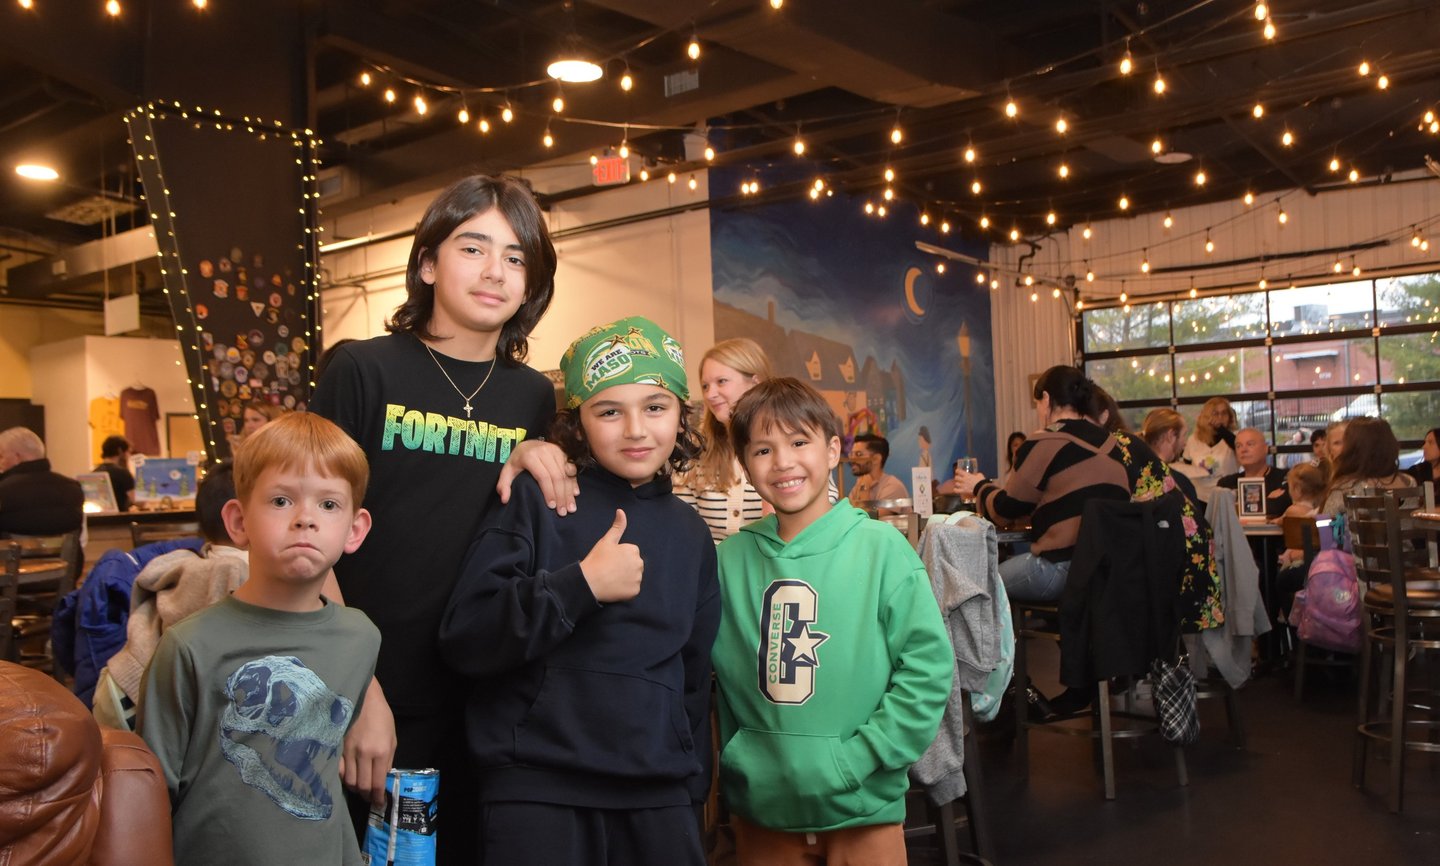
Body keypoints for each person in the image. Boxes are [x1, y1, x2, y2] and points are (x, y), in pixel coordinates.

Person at [310, 174, 576, 855]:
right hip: (369, 693)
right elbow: (309, 545)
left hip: (486, 700)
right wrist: (357, 691)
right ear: (428, 264)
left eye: (516, 257)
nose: (495, 271)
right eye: (473, 248)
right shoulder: (361, 371)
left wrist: (536, 455)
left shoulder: (531, 398)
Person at [438, 316, 719, 865]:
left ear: (681, 415)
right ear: (579, 423)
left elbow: (692, 676)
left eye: (655, 407)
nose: (635, 429)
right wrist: (581, 586)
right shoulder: (541, 498)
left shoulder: (691, 534)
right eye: (609, 411)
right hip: (538, 788)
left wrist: (691, 795)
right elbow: (467, 636)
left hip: (657, 794)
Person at [712, 377, 951, 865]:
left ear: (833, 450)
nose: (783, 462)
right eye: (763, 450)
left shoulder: (882, 550)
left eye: (799, 442)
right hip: (762, 811)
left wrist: (860, 758)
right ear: (745, 464)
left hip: (865, 809)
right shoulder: (726, 561)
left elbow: (927, 670)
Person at [135, 412, 378, 866]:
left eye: (329, 504)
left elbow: (325, 768)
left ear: (355, 529)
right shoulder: (188, 647)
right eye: (281, 500)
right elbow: (146, 796)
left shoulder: (360, 638)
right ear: (238, 520)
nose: (306, 519)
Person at [954, 366, 1130, 602]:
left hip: (1060, 569)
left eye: (1037, 403)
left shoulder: (1043, 441)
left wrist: (978, 486)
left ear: (1046, 400)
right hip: (1109, 572)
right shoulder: (1112, 445)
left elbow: (1006, 509)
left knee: (974, 583)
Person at [94, 464, 246, 732]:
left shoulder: (196, 564)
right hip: (141, 704)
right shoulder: (242, 573)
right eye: (280, 502)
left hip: (118, 685)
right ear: (238, 520)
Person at [677, 337, 837, 542]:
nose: (710, 394)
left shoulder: (798, 454)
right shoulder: (697, 451)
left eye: (721, 382)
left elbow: (822, 509)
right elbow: (684, 524)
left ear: (755, 383)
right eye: (705, 386)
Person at [0, 426, 83, 537]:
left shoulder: (4, 490)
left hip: (13, 548)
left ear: (17, 457)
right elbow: (81, 537)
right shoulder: (73, 488)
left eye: (1, 456)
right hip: (63, 549)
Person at [1321, 417, 1412, 517]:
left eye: (1346, 441)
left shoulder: (1346, 488)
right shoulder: (1410, 482)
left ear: (1354, 447)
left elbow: (1326, 524)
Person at [1216, 428, 1292, 519]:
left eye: (1250, 444)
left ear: (1265, 448)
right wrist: (1267, 501)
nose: (1243, 450)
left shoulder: (1287, 478)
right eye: (1238, 446)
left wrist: (1239, 505)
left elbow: (1282, 505)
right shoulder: (1226, 484)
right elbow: (1221, 515)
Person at [1141, 408, 1208, 502]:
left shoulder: (1136, 473)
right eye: (1184, 435)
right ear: (1171, 436)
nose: (1185, 443)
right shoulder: (1180, 484)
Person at [1182, 396, 1239, 497]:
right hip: (1199, 496)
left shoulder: (1235, 436)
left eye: (1224, 413)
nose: (1220, 417)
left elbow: (1237, 446)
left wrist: (1221, 429)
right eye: (1215, 413)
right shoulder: (1193, 439)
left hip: (1226, 495)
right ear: (1206, 417)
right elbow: (1187, 464)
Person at [848, 433, 909, 509]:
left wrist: (864, 488)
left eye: (859, 454)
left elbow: (869, 516)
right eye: (851, 454)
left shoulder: (893, 487)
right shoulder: (858, 486)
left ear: (876, 459)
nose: (852, 459)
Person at [94, 434, 136, 511]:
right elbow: (137, 501)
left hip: (100, 516)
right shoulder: (123, 473)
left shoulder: (95, 472)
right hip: (120, 516)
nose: (129, 456)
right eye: (128, 452)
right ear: (120, 451)